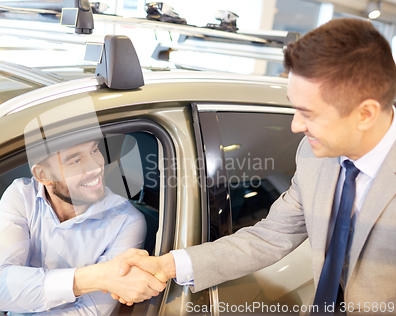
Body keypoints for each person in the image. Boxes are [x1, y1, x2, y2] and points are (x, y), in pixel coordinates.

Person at [115, 18, 396, 314]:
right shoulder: (314, 157)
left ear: (365, 114)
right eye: (293, 107)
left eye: (308, 114)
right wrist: (166, 264)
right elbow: (271, 236)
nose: (296, 126)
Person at [0, 139, 164, 315]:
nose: (95, 166)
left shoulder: (127, 221)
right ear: (43, 175)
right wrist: (98, 276)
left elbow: (90, 311)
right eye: (75, 160)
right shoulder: (21, 195)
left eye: (94, 150)